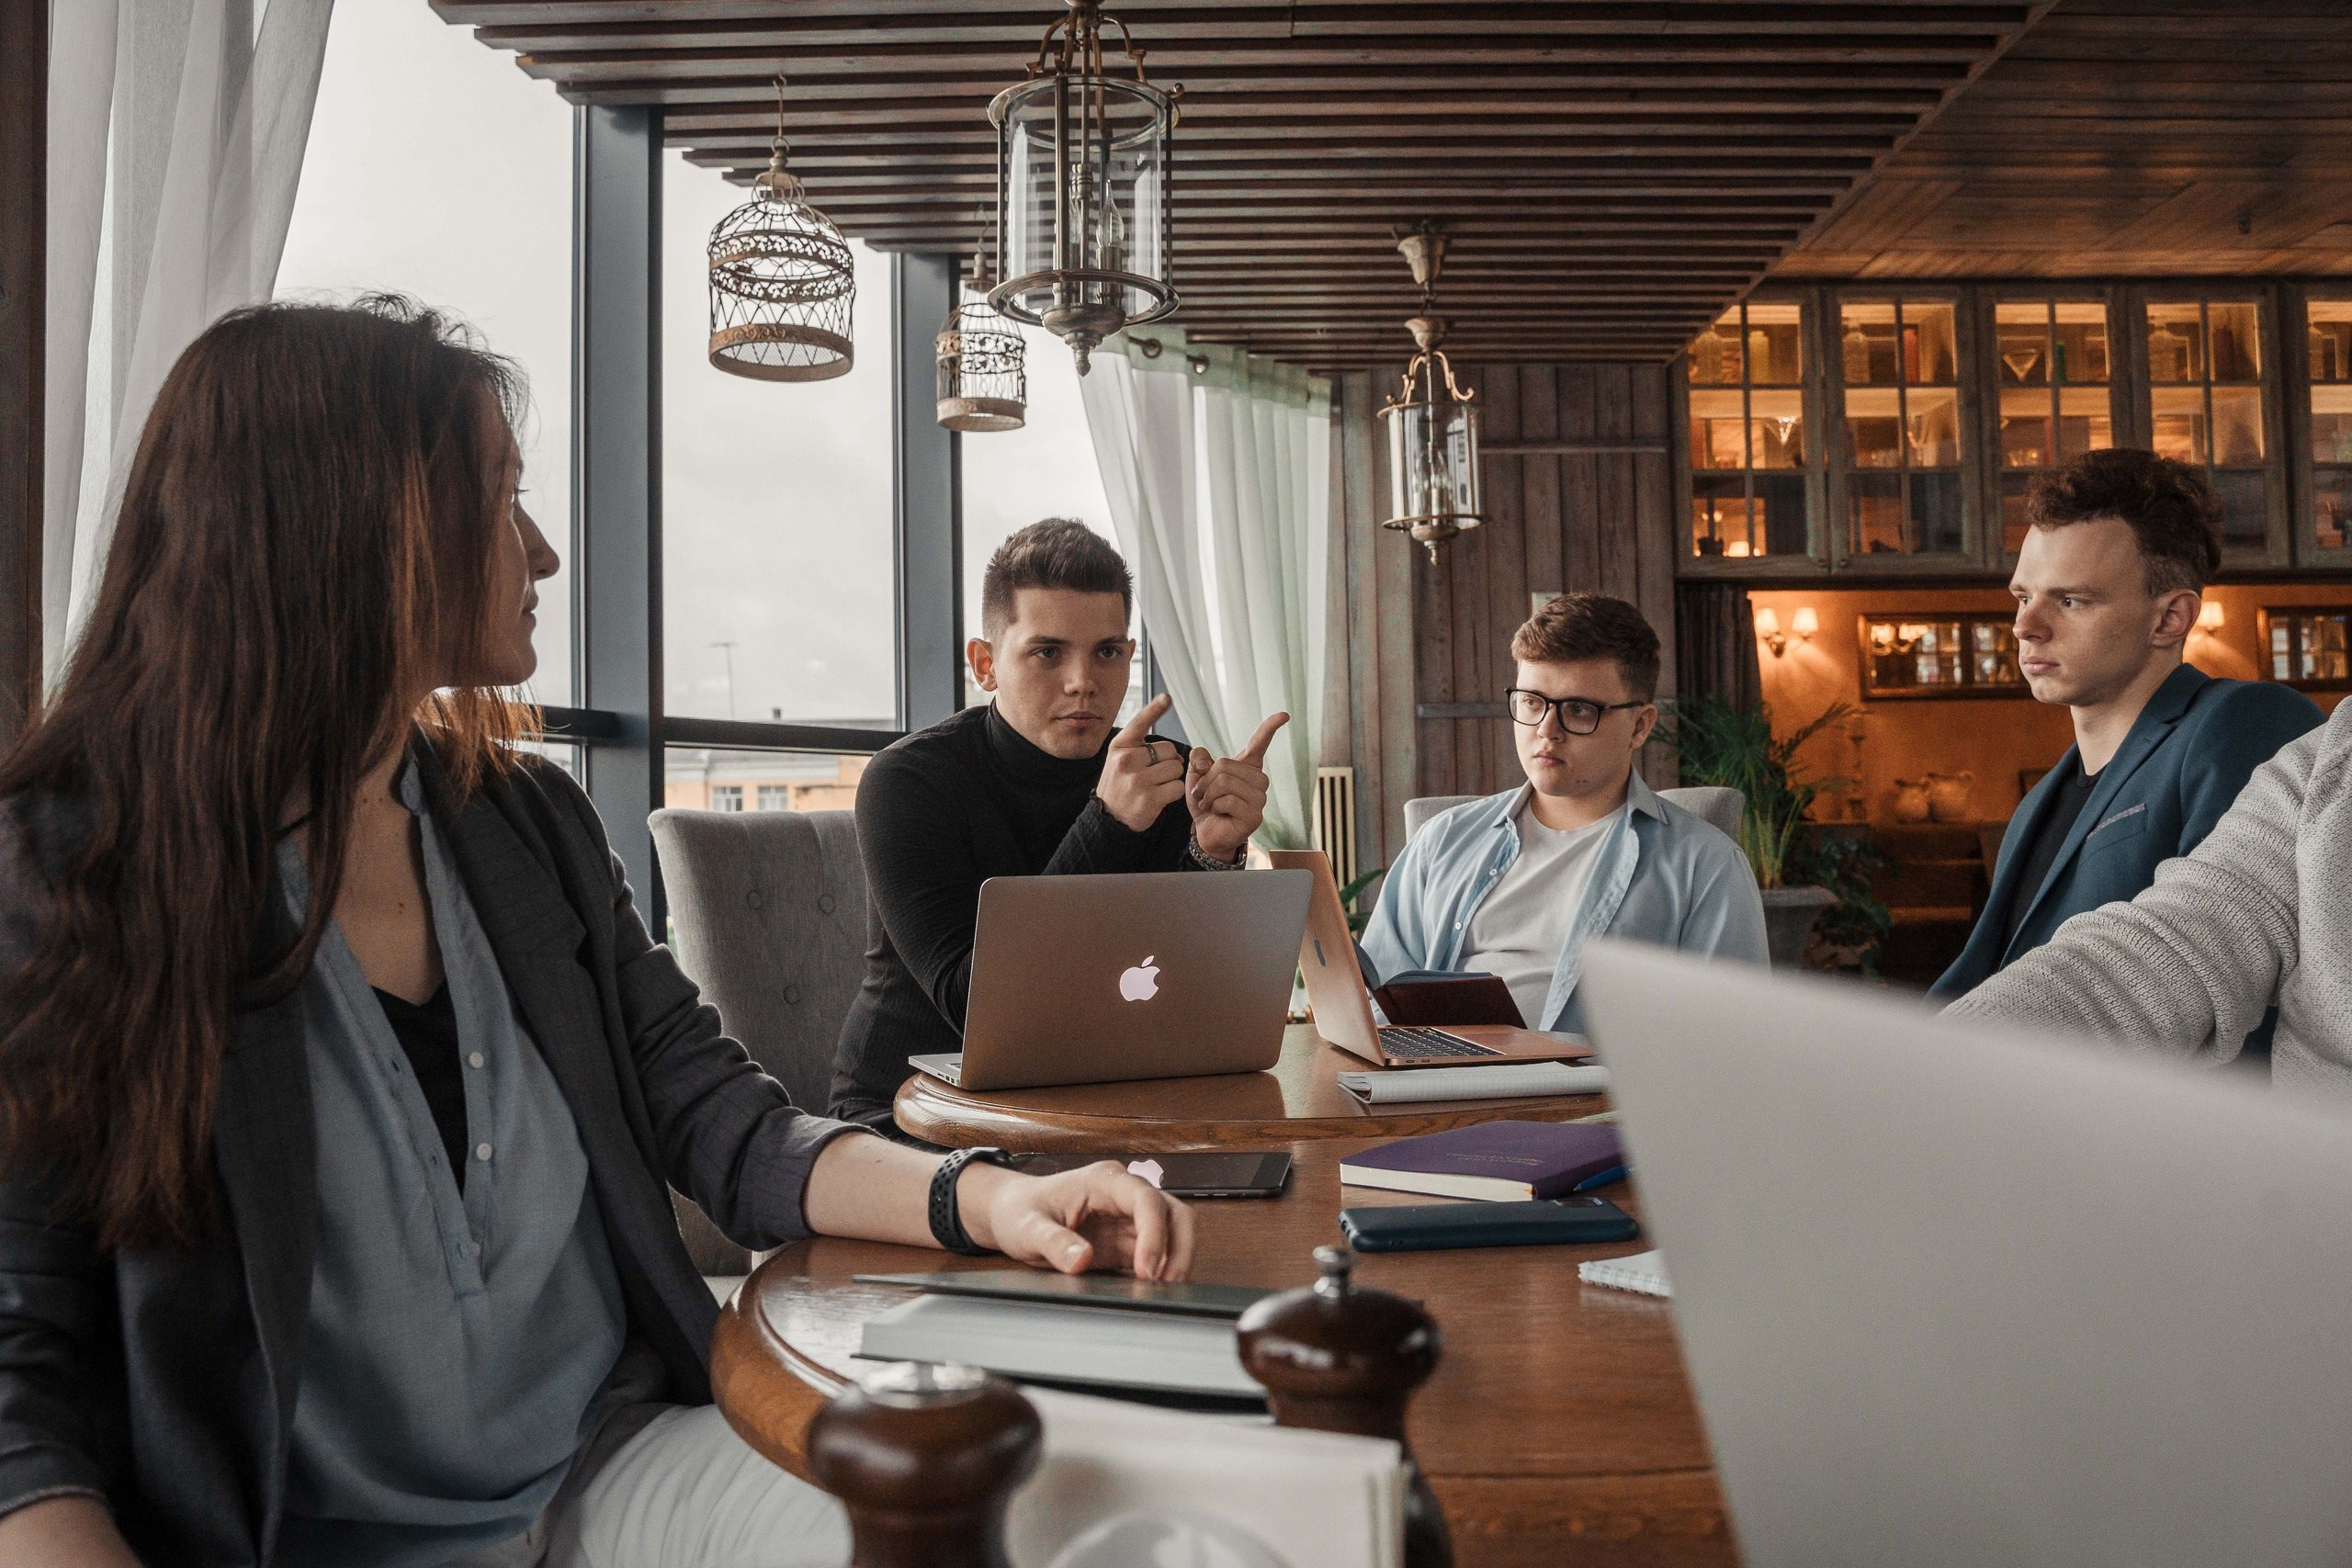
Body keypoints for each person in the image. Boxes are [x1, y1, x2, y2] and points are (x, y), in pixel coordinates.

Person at [0, 300, 1192, 1568]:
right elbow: (21, 1370)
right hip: (292, 1535)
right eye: (500, 496)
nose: (545, 551)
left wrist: (1000, 1200)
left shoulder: (523, 821)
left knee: (1033, 1522)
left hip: (603, 1468)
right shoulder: (68, 866)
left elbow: (717, 1113)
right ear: (347, 524)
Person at [832, 520, 1286, 1129]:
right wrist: (1107, 824)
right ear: (985, 664)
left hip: (1097, 1106)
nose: (1084, 682)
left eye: (1107, 651)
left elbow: (1185, 997)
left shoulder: (1159, 773)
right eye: (1048, 652)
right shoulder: (906, 782)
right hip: (912, 1116)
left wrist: (1212, 851)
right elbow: (975, 1009)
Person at [1931, 449, 2321, 1052]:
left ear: (2169, 618)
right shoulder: (2036, 805)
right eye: (2022, 596)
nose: (2025, 626)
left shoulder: (2245, 722)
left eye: (2071, 600)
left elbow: (2241, 980)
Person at [1361, 592, 1767, 1033]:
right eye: (1532, 702)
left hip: (1600, 1097)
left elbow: (1729, 1038)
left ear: (1640, 725)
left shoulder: (1705, 865)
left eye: (1579, 709)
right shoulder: (1442, 841)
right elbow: (1377, 1000)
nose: (1546, 731)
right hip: (1444, 1086)